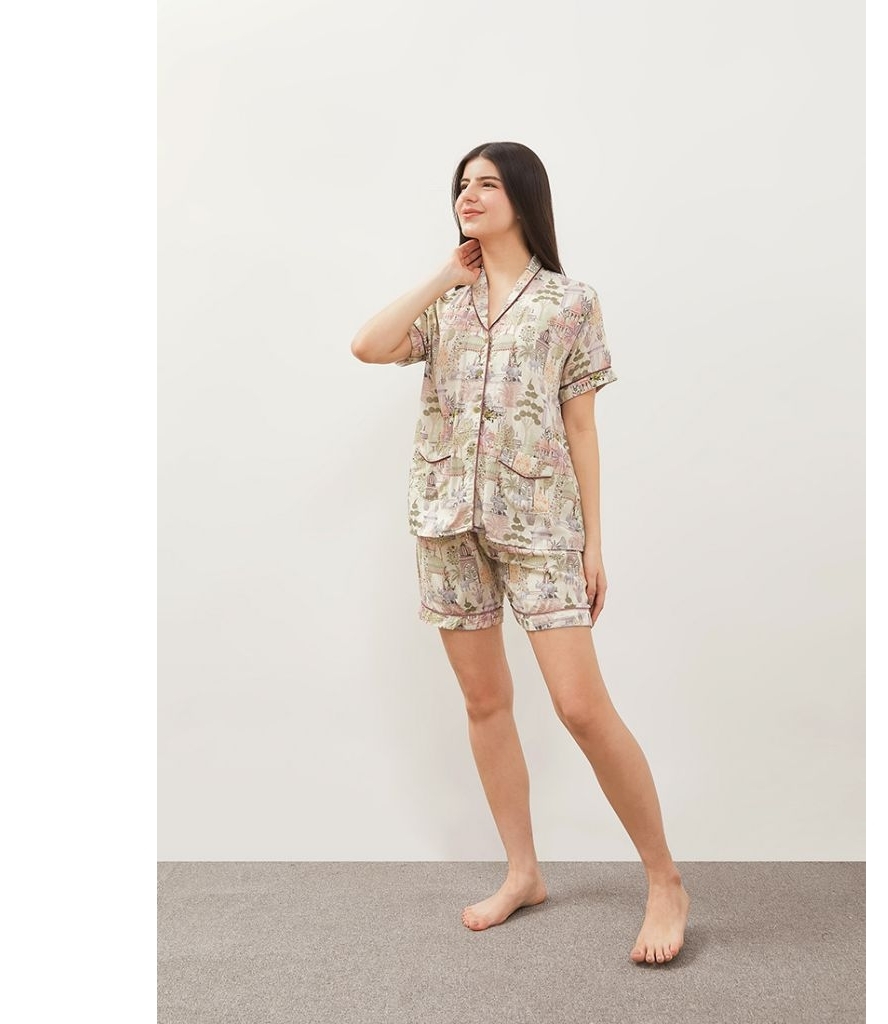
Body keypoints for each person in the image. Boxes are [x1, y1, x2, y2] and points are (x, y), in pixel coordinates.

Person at [351, 141, 691, 965]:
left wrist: (594, 545)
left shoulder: (571, 302)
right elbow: (367, 345)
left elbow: (582, 427)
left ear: (523, 197)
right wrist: (444, 276)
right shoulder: (445, 303)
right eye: (462, 185)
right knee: (484, 703)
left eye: (488, 184)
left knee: (581, 708)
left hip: (542, 528)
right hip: (447, 523)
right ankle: (523, 872)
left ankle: (666, 882)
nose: (469, 195)